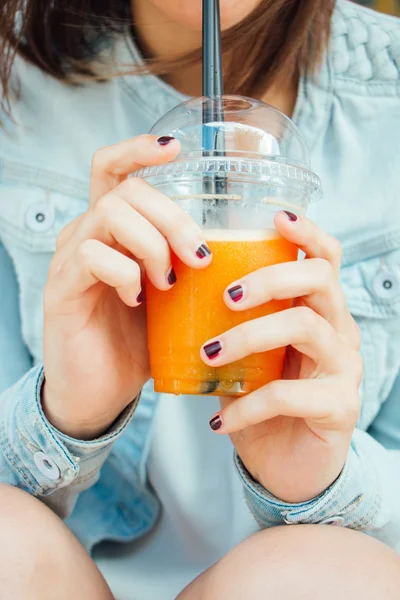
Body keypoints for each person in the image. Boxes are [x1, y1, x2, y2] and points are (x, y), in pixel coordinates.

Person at [0, 0, 399, 598]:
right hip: (61, 576)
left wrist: (323, 485)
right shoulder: (14, 77)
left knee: (316, 574)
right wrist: (63, 418)